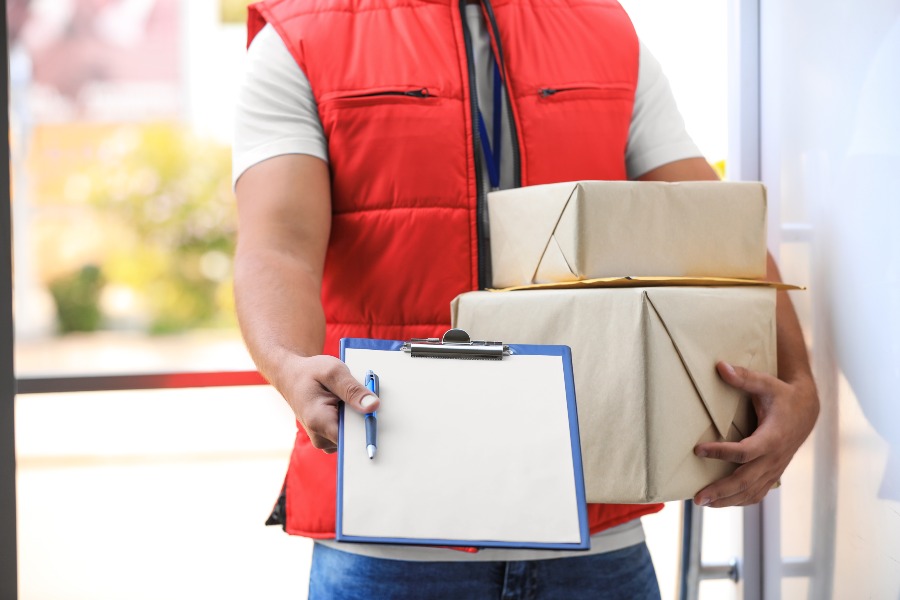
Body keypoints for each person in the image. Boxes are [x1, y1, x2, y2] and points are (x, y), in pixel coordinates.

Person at [232, 0, 820, 597]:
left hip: (597, 531)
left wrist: (798, 384)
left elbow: (714, 229)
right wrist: (288, 364)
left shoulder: (604, 29)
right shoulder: (299, 35)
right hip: (390, 530)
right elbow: (278, 246)